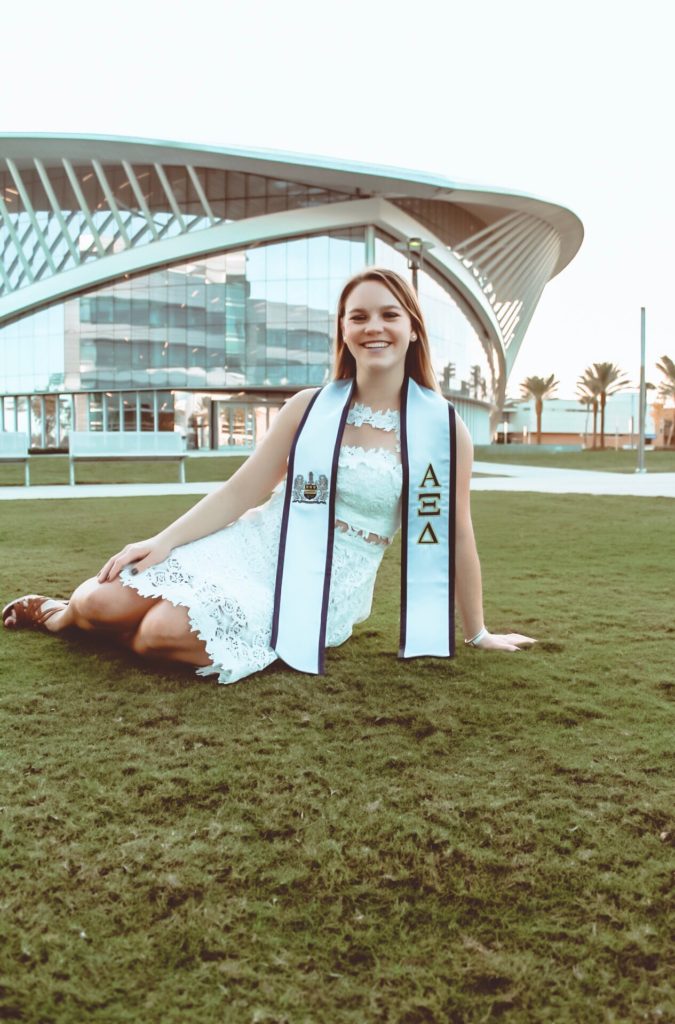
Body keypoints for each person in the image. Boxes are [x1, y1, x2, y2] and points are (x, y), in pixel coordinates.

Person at [2, 268, 536, 682]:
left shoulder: (440, 430)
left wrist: (478, 631)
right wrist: (161, 542)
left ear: (413, 330)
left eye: (389, 315)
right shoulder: (309, 408)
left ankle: (119, 630)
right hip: (258, 542)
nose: (374, 327)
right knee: (98, 599)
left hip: (329, 579)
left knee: (159, 634)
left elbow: (455, 533)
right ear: (344, 333)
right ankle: (63, 617)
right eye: (358, 317)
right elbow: (242, 490)